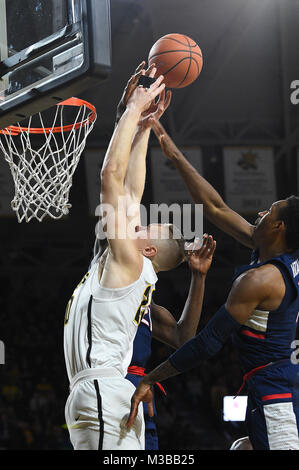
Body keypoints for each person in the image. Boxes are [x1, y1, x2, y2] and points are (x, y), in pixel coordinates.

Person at [63, 66, 215, 451]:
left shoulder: (129, 264)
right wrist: (144, 125)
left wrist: (132, 109)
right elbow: (131, 190)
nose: (140, 221)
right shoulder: (129, 266)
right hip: (100, 391)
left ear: (147, 250)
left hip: (104, 389)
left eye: (149, 227)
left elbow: (110, 177)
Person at [126, 120, 299, 451]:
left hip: (278, 392)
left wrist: (149, 378)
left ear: (278, 227)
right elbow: (216, 207)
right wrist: (173, 154)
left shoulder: (257, 280)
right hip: (279, 382)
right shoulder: (275, 252)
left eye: (269, 211)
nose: (260, 212)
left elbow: (205, 343)